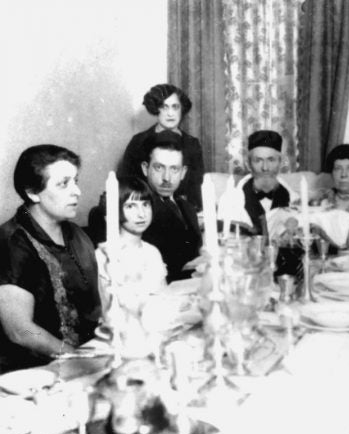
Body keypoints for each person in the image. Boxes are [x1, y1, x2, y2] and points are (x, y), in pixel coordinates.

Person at [0, 145, 101, 372]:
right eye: (63, 184)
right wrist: (76, 358)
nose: (77, 191)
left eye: (75, 181)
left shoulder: (76, 234)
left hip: (84, 355)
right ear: (32, 192)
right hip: (30, 372)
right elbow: (20, 330)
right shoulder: (11, 242)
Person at [89, 131, 202, 282]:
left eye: (174, 169)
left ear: (183, 172)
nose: (166, 178)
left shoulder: (187, 208)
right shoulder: (130, 210)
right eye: (159, 168)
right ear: (145, 168)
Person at [117, 83, 204, 210]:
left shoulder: (192, 144)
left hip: (181, 209)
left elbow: (196, 187)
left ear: (182, 110)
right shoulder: (138, 141)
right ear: (155, 109)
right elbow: (127, 184)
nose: (170, 114)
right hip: (145, 208)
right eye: (164, 107)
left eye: (175, 107)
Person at [95, 177, 167, 314]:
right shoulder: (104, 256)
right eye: (130, 206)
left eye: (145, 204)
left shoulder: (152, 252)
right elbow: (107, 310)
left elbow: (164, 298)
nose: (141, 214)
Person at [235, 130, 296, 235]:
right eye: (258, 160)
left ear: (280, 163)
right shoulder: (233, 199)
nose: (265, 168)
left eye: (271, 160)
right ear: (248, 164)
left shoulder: (290, 194)